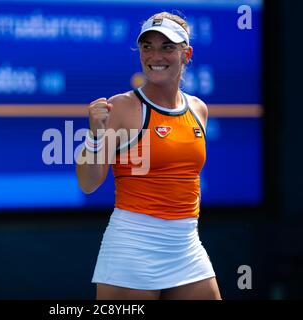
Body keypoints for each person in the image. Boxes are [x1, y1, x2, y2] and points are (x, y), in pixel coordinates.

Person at [76, 12, 221, 300]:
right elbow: (89, 183)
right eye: (147, 46)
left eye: (167, 46)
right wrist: (94, 135)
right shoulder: (122, 107)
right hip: (132, 247)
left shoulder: (198, 109)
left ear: (186, 53)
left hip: (186, 245)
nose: (155, 55)